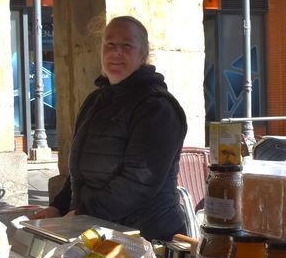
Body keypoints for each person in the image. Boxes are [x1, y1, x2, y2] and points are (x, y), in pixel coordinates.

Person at [33, 16, 188, 241]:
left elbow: (138, 182)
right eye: (110, 44)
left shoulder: (157, 107)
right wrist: (58, 207)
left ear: (143, 55)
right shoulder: (95, 101)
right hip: (96, 232)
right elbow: (80, 174)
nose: (116, 52)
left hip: (144, 238)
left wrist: (83, 215)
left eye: (127, 45)